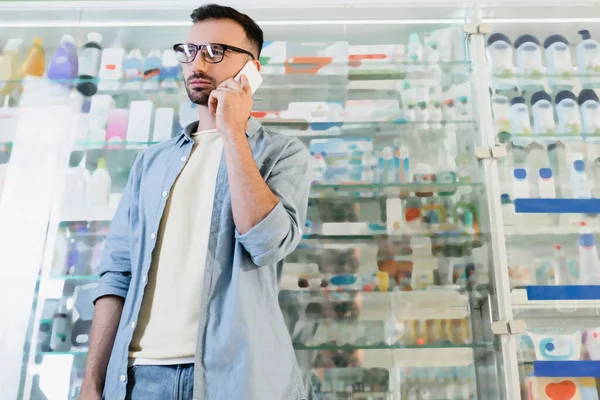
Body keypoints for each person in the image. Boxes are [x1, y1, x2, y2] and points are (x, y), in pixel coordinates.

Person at [80, 4, 311, 400]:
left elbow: (266, 242)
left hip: (238, 379)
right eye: (189, 51)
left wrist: (233, 133)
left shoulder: (282, 154)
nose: (197, 63)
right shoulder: (150, 162)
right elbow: (117, 274)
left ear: (251, 69)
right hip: (141, 378)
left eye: (215, 51)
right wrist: (91, 384)